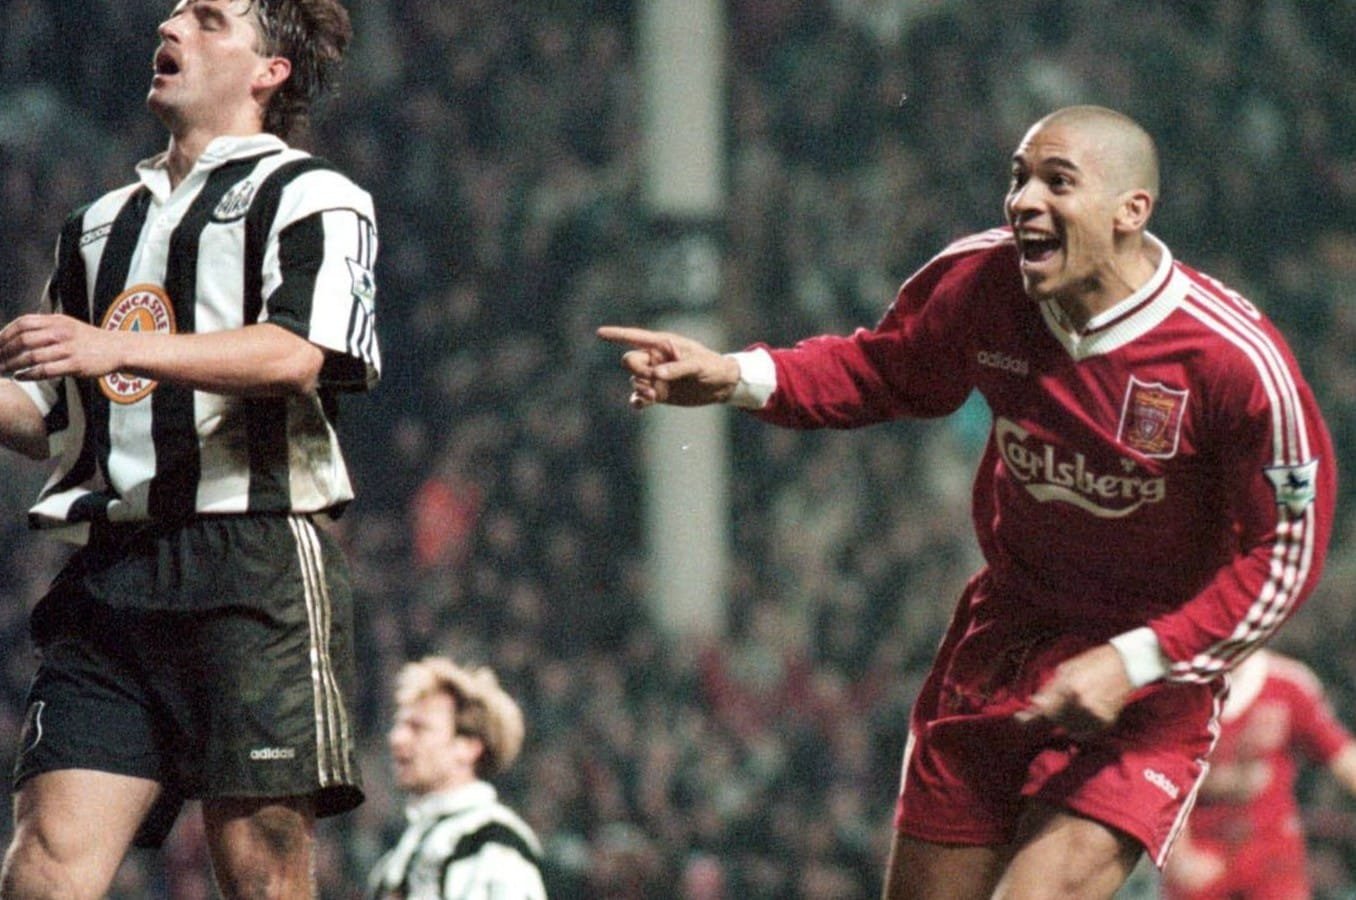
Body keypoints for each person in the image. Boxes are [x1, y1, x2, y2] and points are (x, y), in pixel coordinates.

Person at [597, 105, 1335, 899]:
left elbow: (1287, 552)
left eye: (1057, 182)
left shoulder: (1232, 360)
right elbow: (883, 369)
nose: (1024, 202)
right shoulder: (982, 283)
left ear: (1130, 210)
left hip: (1150, 681)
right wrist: (735, 376)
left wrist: (1134, 660)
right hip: (1004, 641)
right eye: (1018, 179)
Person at [0, 0, 379, 896]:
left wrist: (118, 347)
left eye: (208, 20)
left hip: (251, 560)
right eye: (173, 14)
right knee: (43, 867)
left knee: (262, 872)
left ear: (269, 72)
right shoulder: (96, 227)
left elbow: (299, 354)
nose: (171, 29)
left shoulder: (313, 195)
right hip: (113, 569)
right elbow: (50, 416)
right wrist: (93, 357)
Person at [1161, 649, 1356, 900]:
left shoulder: (1287, 683)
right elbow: (1162, 777)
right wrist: (1179, 856)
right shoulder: (1173, 693)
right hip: (1202, 852)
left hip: (1272, 853)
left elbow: (1342, 755)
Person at [367, 656, 547, 899]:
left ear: (468, 747)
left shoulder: (494, 842)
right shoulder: (396, 857)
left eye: (418, 727)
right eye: (399, 725)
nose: (397, 739)